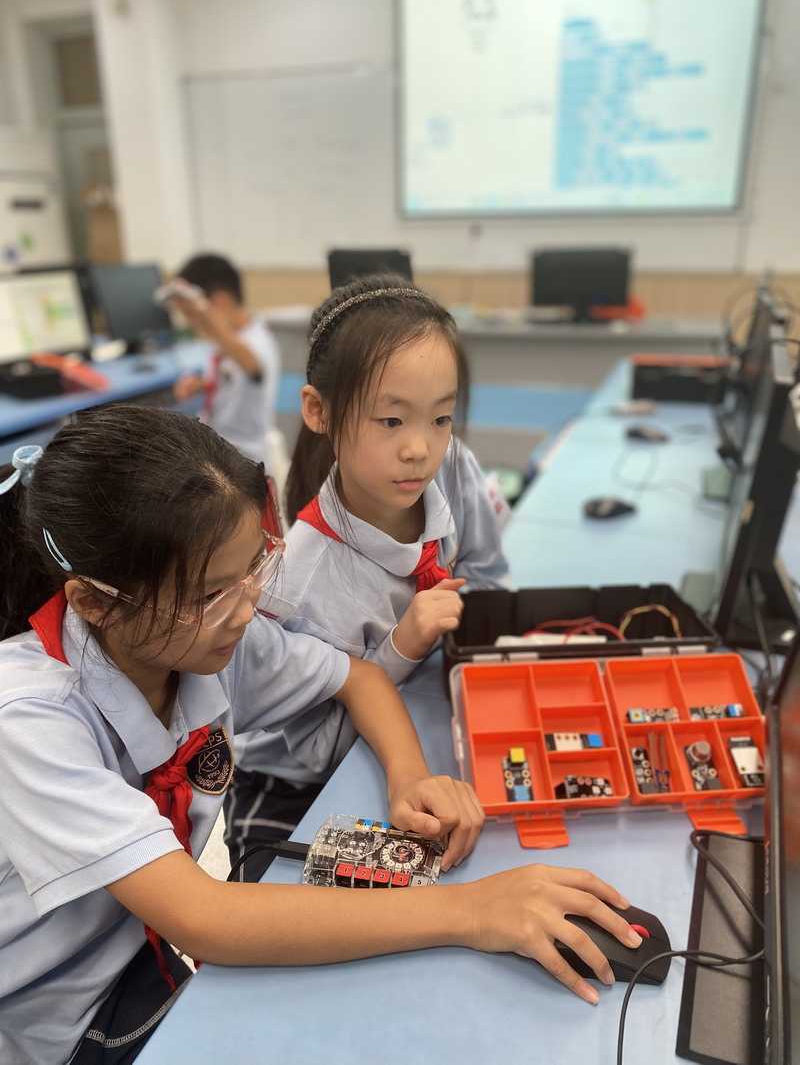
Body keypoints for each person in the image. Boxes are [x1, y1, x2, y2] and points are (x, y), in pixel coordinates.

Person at [0, 407, 642, 1065]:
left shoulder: (200, 637)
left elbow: (359, 679)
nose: (245, 610)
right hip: (61, 1012)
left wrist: (410, 777)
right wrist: (474, 911)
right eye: (210, 593)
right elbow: (206, 919)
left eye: (253, 569)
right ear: (94, 602)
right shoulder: (28, 720)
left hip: (141, 943)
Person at [227, 274, 510, 879]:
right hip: (292, 785)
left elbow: (486, 573)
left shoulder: (452, 468)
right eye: (390, 421)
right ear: (318, 411)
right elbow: (317, 748)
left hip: (412, 720)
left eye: (441, 417)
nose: (420, 449)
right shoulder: (299, 581)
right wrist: (403, 646)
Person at [170, 253, 279, 464]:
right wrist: (201, 384)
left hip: (246, 460)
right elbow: (233, 377)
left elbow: (250, 364)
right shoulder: (223, 342)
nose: (193, 324)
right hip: (217, 447)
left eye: (193, 317)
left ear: (219, 302)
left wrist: (206, 318)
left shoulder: (257, 340)